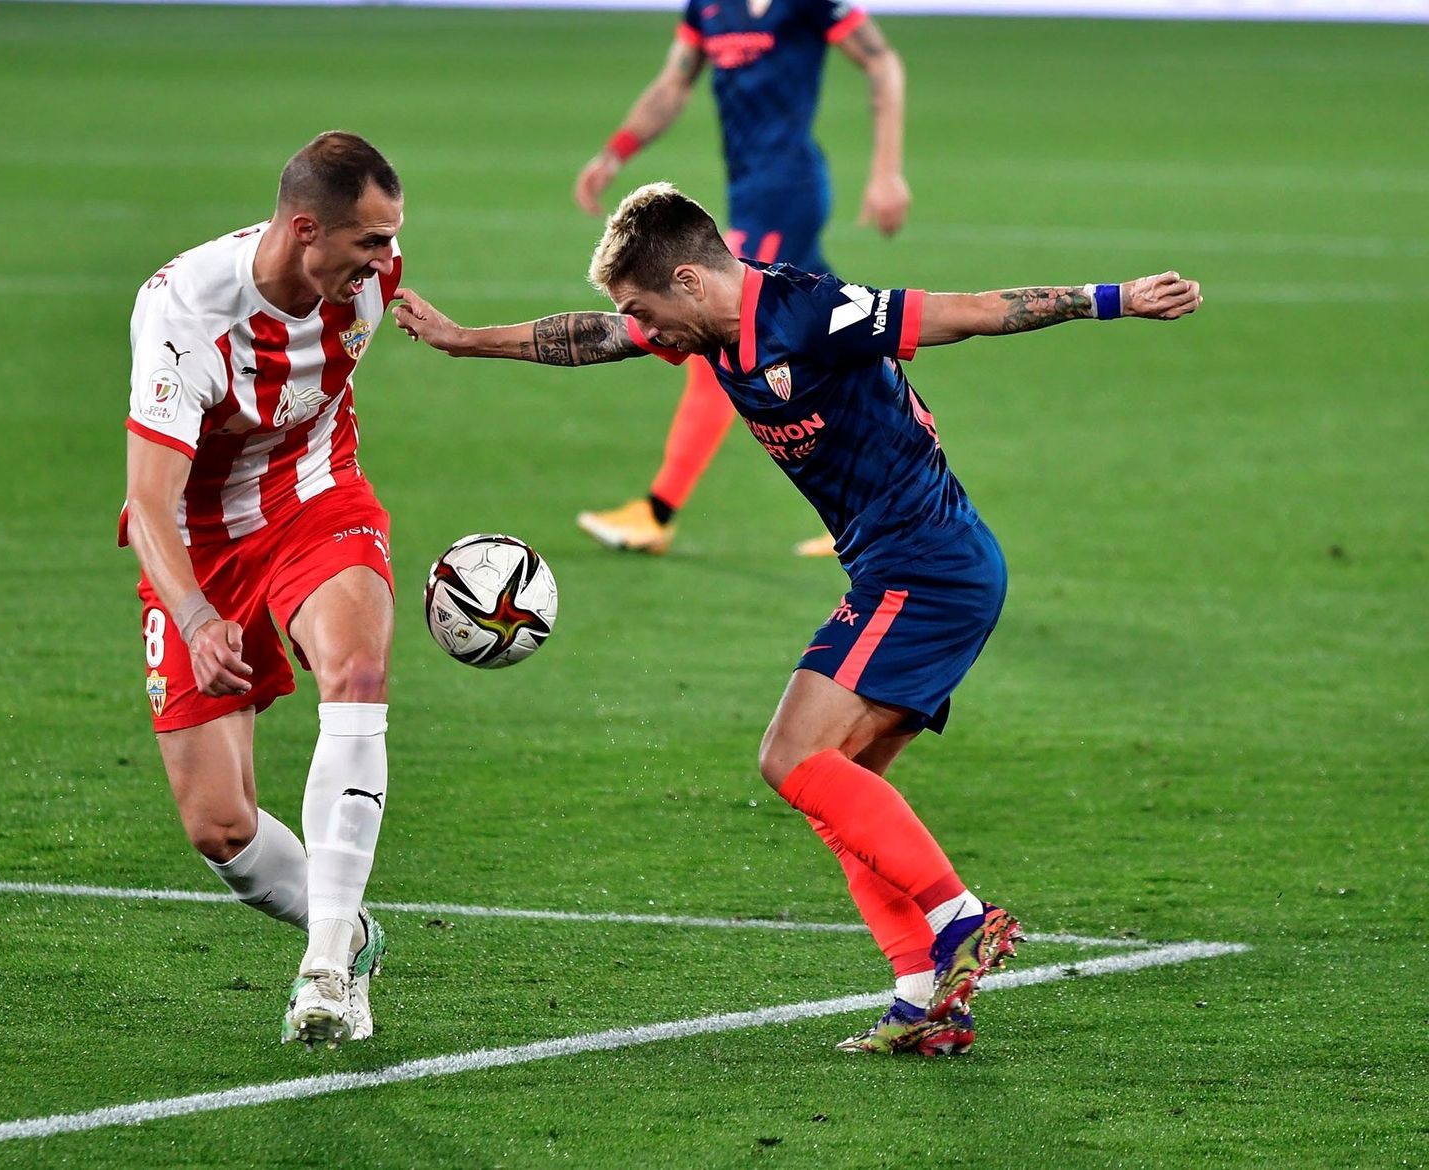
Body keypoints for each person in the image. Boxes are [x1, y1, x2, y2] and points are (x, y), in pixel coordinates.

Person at [391, 183, 1201, 1054]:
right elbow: (593, 338)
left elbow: (966, 312)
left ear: (691, 281)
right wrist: (463, 340)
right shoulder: (704, 328)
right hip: (908, 567)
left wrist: (1114, 300)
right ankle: (924, 997)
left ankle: (958, 919)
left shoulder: (813, 313)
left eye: (644, 308)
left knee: (789, 755)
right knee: (842, 791)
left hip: (926, 566)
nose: (642, 329)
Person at [122, 131, 405, 1051]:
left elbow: (341, 363)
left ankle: (324, 962)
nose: (386, 259)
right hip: (197, 545)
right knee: (219, 827)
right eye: (368, 240)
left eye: (393, 238)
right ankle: (353, 932)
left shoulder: (368, 280)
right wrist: (198, 617)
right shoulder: (186, 312)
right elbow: (149, 504)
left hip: (314, 499)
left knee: (356, 676)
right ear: (303, 228)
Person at [572, 0, 910, 558]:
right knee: (849, 335)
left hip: (786, 196)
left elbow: (883, 63)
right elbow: (673, 85)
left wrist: (886, 171)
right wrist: (616, 153)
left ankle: (657, 512)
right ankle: (884, 502)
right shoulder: (710, 7)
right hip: (750, 194)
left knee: (721, 333)